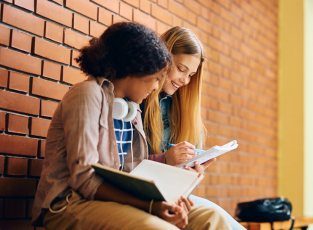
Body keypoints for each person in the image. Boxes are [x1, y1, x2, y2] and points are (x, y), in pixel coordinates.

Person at [31, 22, 231, 230]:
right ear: (134, 69)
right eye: (154, 78)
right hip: (69, 202)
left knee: (212, 217)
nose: (155, 86)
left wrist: (171, 197)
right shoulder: (87, 94)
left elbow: (136, 173)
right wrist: (151, 206)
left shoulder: (131, 110)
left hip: (113, 202)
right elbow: (84, 177)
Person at [143, 26, 246, 230]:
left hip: (174, 195)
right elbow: (123, 164)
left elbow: (179, 180)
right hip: (146, 197)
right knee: (217, 219)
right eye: (181, 69)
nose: (185, 80)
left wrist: (192, 174)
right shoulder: (138, 99)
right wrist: (167, 160)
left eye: (191, 74)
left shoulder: (184, 111)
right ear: (163, 58)